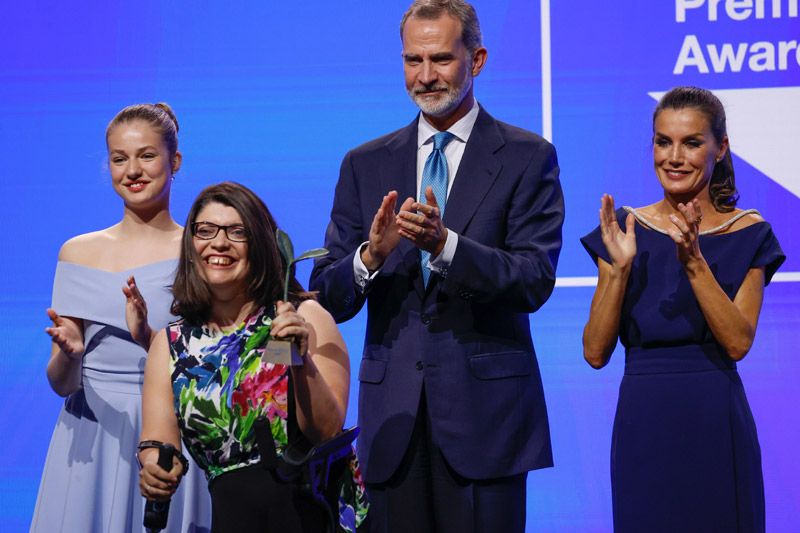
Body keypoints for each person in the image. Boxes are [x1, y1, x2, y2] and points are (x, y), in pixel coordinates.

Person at [309, 1, 564, 530]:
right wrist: (370, 256)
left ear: (478, 59)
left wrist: (446, 246)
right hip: (393, 422)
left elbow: (533, 279)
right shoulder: (364, 162)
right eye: (413, 60)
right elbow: (327, 294)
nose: (425, 76)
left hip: (486, 421)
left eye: (441, 59)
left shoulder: (526, 156)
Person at [580, 86, 785, 532]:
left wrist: (694, 262)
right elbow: (595, 354)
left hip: (715, 420)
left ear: (720, 147)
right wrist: (618, 270)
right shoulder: (623, 231)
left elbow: (737, 342)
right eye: (663, 141)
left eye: (692, 143)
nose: (674, 157)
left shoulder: (750, 234)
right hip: (644, 422)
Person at [137, 182, 369, 533]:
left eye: (236, 232)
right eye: (206, 230)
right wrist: (155, 469)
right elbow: (159, 443)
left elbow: (325, 431)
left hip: (309, 515)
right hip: (233, 518)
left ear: (261, 244)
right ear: (191, 246)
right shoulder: (170, 344)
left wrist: (299, 359)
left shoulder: (302, 315)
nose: (219, 243)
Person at [31, 103, 211, 532]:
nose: (133, 170)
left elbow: (216, 365)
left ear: (175, 161)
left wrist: (149, 336)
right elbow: (61, 384)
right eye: (119, 158)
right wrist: (70, 355)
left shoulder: (201, 251)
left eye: (147, 155)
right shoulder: (78, 252)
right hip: (91, 435)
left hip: (174, 432)